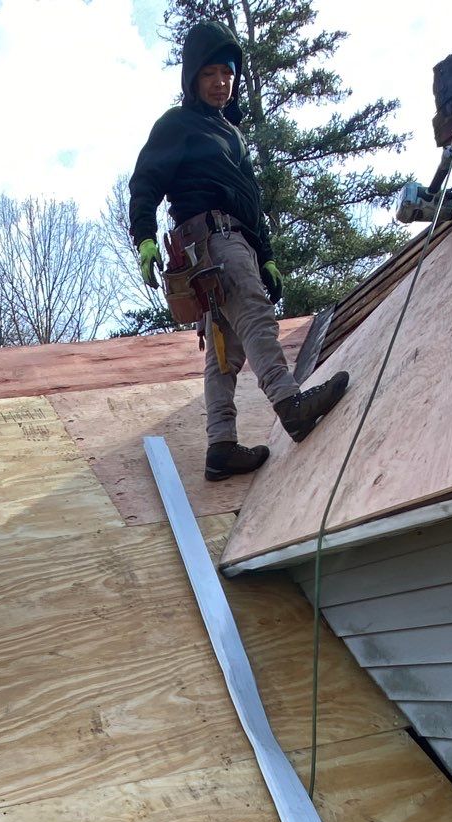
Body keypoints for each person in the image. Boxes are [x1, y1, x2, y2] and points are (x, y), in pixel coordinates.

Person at [129, 19, 350, 481]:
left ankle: (221, 446)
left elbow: (250, 200)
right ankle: (291, 403)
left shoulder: (232, 135)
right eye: (210, 74)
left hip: (237, 240)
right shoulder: (177, 125)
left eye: (227, 74)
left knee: (223, 352)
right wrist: (145, 237)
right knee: (253, 314)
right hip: (209, 242)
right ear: (193, 77)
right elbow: (145, 182)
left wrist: (265, 254)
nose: (221, 83)